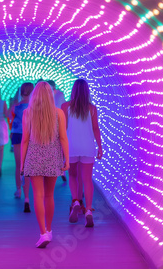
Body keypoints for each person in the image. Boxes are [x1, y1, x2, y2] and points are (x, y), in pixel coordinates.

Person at [21, 82, 69, 248]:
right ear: (50, 95)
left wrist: (22, 163)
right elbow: (63, 138)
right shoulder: (58, 113)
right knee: (49, 195)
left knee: (38, 196)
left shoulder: (28, 113)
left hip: (34, 158)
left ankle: (42, 233)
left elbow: (25, 140)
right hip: (53, 158)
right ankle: (49, 230)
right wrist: (67, 159)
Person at [61, 79, 102, 227]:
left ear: (73, 91)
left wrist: (60, 147)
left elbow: (63, 129)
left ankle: (76, 201)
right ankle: (89, 210)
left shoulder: (65, 106)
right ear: (87, 91)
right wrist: (100, 147)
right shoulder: (92, 108)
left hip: (71, 146)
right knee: (87, 179)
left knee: (72, 175)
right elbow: (96, 128)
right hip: (87, 147)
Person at [8, 82, 34, 212]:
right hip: (31, 136)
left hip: (17, 135)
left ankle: (18, 190)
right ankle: (28, 197)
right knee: (29, 166)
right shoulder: (34, 106)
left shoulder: (15, 105)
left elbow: (9, 117)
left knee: (19, 165)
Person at [47, 80, 67, 182]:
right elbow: (63, 107)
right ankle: (60, 169)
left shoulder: (46, 94)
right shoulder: (60, 94)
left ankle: (52, 169)